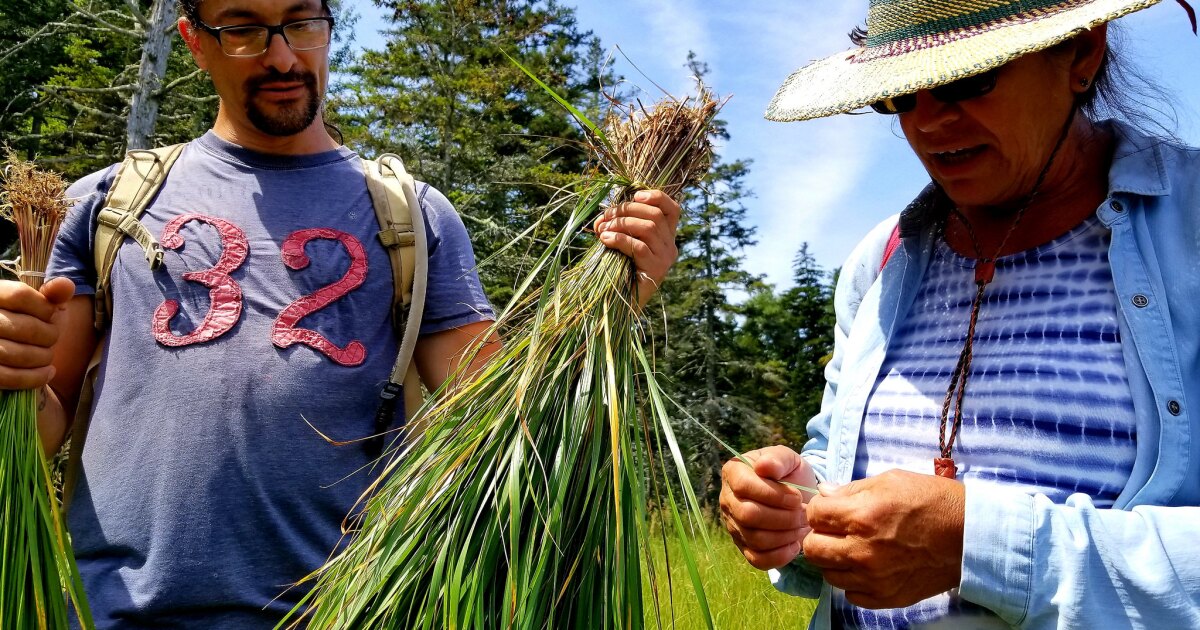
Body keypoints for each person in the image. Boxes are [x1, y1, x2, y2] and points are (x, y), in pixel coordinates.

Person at [0, 0, 681, 627]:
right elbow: (43, 422)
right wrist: (10, 366)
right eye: (243, 30)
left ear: (328, 27)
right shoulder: (108, 204)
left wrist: (620, 295)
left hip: (348, 612)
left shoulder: (411, 216)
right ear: (194, 42)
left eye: (302, 23)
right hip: (117, 613)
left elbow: (506, 424)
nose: (283, 58)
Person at [719, 0, 1200, 628]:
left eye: (964, 81)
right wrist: (790, 505)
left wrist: (978, 545)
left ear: (1081, 53)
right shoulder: (882, 261)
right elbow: (838, 467)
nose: (928, 123)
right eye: (898, 97)